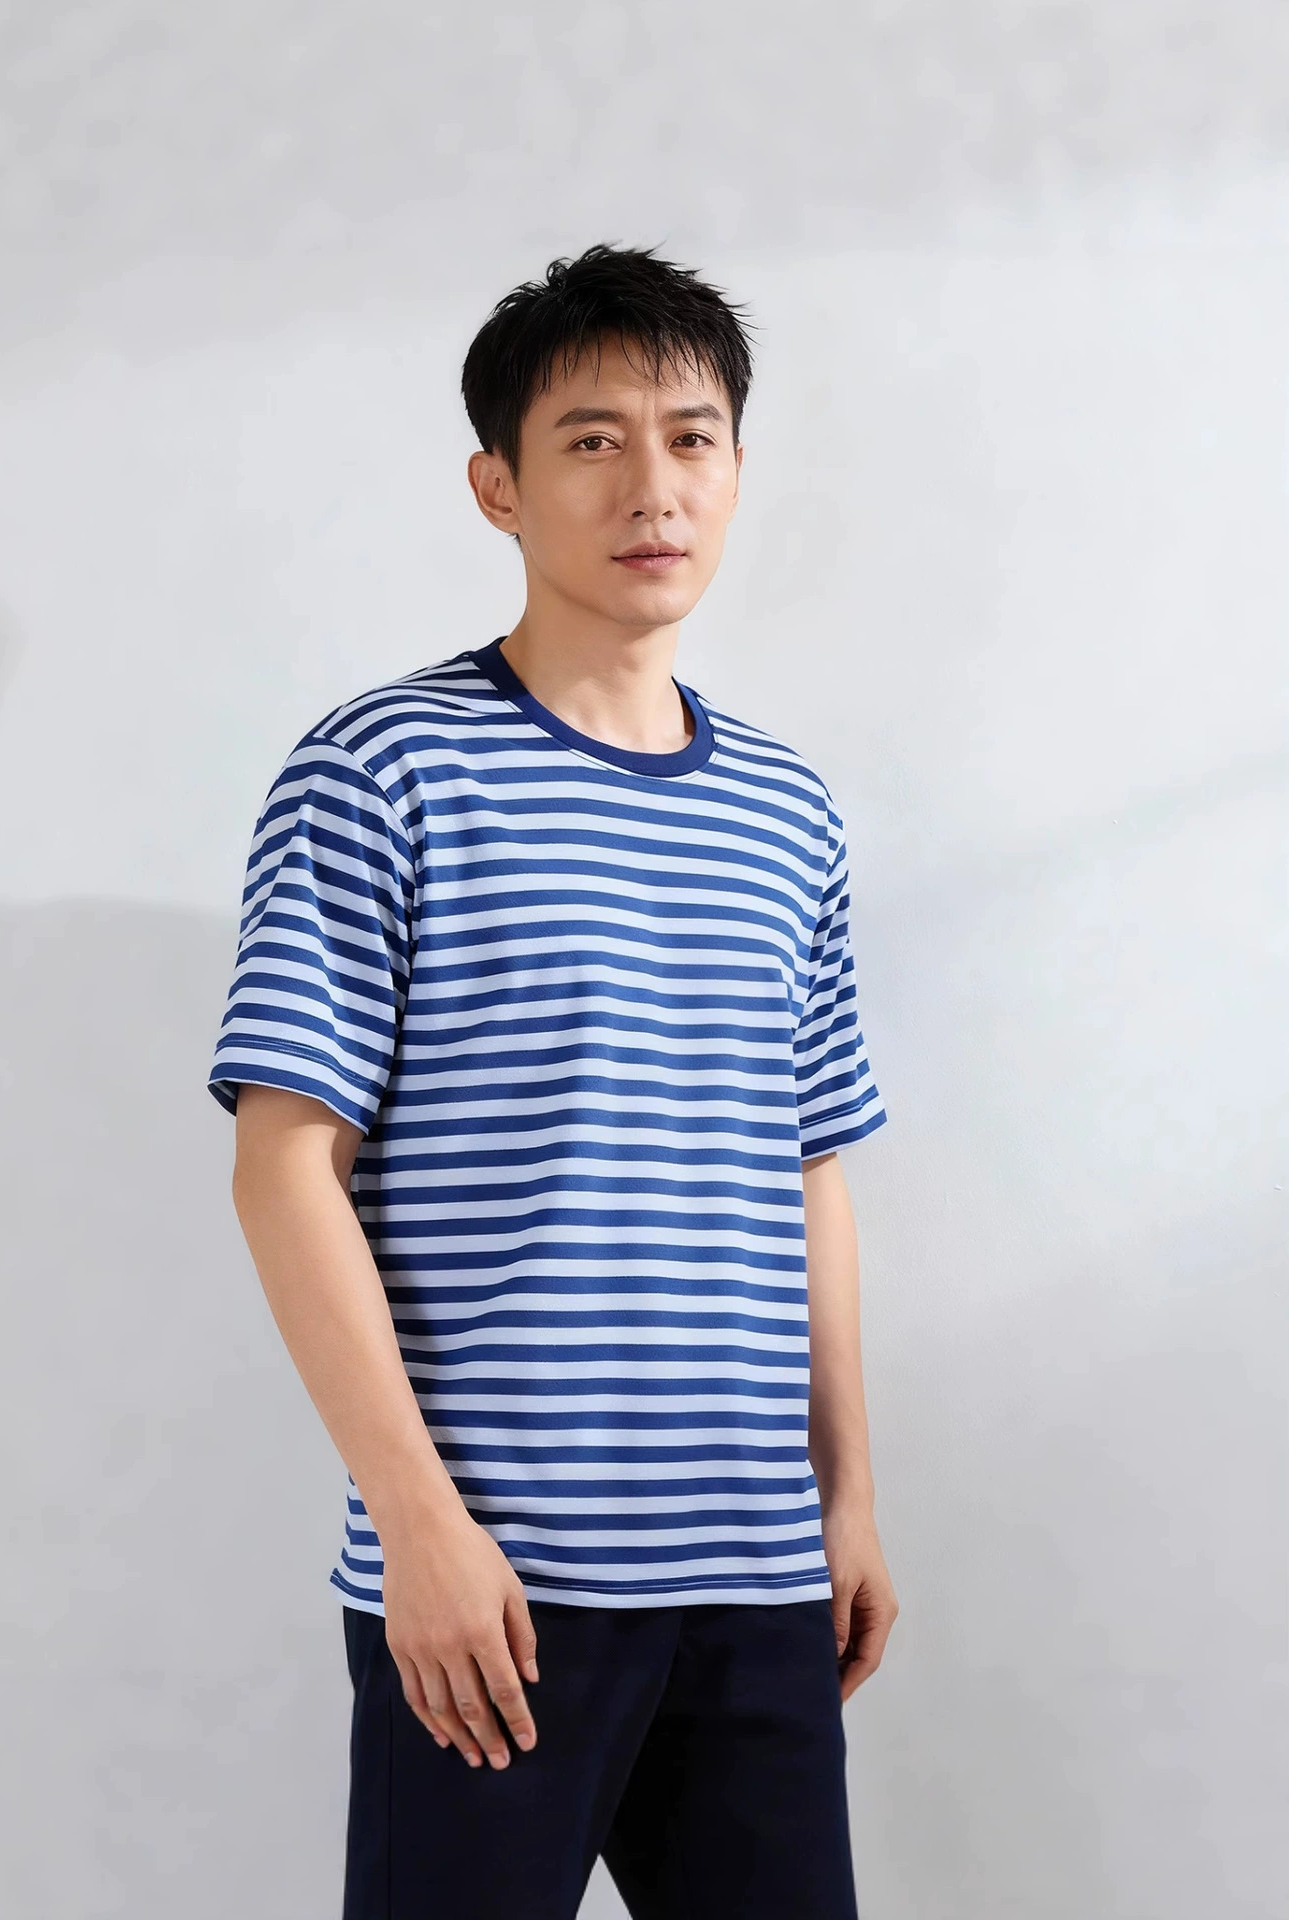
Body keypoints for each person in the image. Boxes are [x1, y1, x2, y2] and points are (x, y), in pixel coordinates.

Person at [208, 243, 898, 1919]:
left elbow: (808, 1168)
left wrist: (849, 1496)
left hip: (754, 1575)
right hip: (497, 1584)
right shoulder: (382, 769)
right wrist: (418, 1528)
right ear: (497, 487)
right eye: (593, 441)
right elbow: (286, 1165)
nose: (653, 485)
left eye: (691, 437)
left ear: (735, 470)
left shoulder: (789, 811)